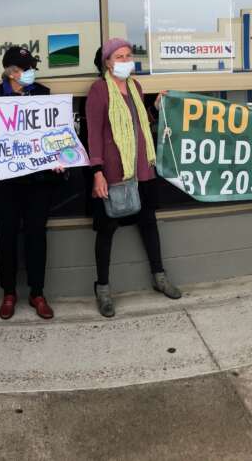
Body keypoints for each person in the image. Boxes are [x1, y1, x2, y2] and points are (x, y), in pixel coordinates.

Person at [86, 38, 181, 318]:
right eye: (120, 56)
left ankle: (159, 276)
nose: (126, 60)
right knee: (107, 231)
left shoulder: (135, 87)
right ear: (107, 62)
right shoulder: (99, 91)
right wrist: (97, 172)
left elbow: (143, 124)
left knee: (149, 224)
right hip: (114, 173)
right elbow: (93, 134)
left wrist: (155, 106)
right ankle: (102, 288)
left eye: (128, 55)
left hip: (142, 170)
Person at [0, 46, 61, 320]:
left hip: (37, 181)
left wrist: (57, 154)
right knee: (6, 237)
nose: (32, 72)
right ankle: (9, 293)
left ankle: (37, 292)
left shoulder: (42, 94)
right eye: (27, 68)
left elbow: (56, 132)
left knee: (37, 235)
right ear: (12, 72)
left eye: (33, 67)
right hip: (4, 183)